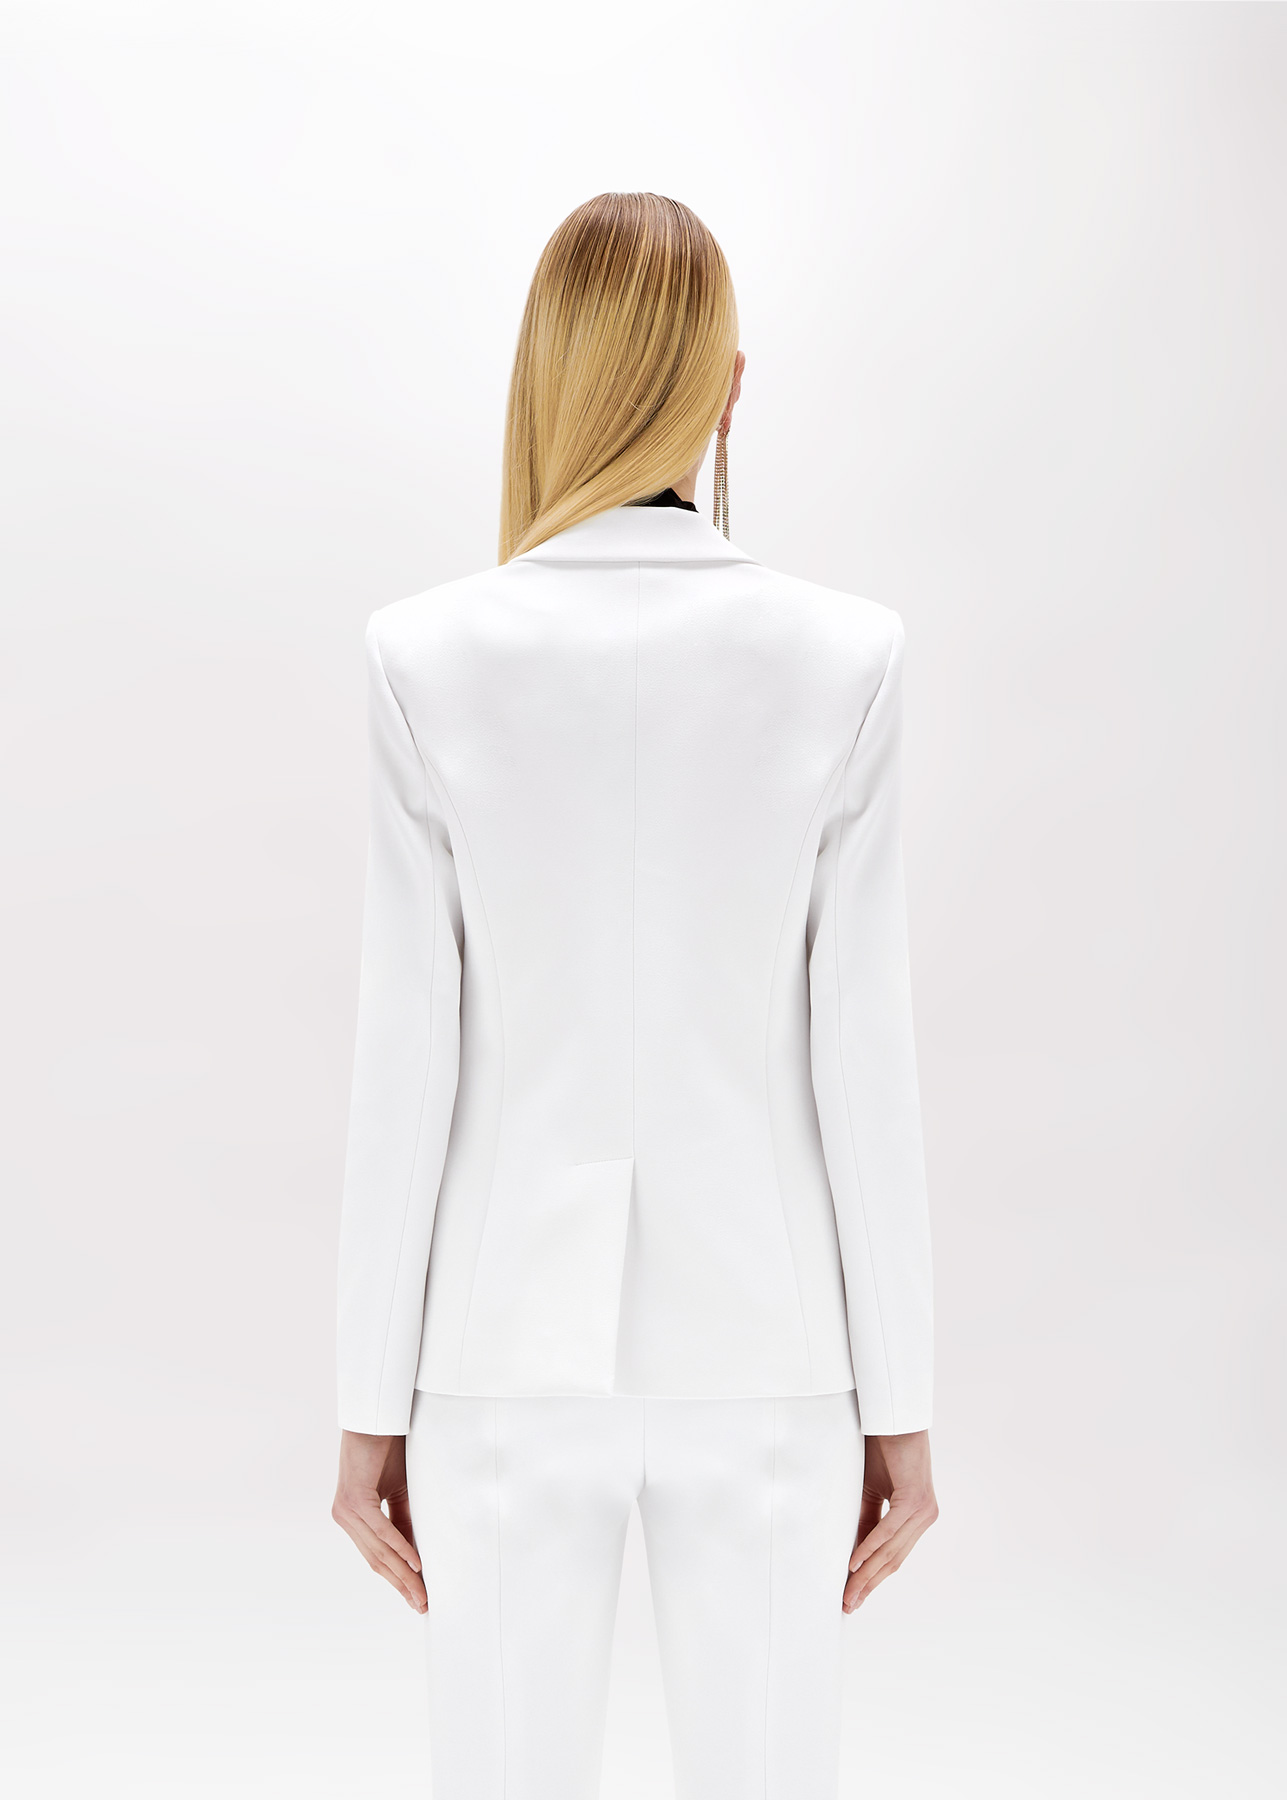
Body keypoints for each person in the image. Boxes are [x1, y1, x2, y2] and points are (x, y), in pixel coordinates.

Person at [331, 191, 937, 1800]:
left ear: (547, 377)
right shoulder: (849, 656)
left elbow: (408, 1054)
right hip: (774, 1343)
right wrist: (905, 1401)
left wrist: (365, 1401)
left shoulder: (422, 655)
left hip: (496, 1347)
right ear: (729, 386)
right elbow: (862, 1053)